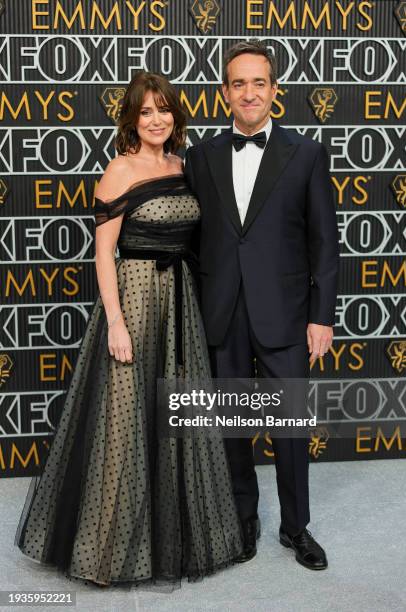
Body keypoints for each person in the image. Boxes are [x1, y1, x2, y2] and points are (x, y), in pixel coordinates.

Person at [15, 72, 243, 587]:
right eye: (146, 112)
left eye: (164, 110)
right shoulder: (118, 170)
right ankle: (106, 553)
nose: (157, 119)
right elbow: (103, 253)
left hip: (182, 302)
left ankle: (174, 539)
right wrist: (115, 322)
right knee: (124, 427)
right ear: (132, 119)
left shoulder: (186, 167)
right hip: (136, 299)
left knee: (178, 422)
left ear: (175, 116)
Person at [184, 40, 339, 569]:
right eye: (238, 83)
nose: (248, 92)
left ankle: (296, 529)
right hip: (222, 311)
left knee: (291, 430)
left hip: (288, 315)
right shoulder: (200, 156)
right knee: (231, 429)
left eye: (259, 82)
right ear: (224, 92)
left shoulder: (308, 154)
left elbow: (325, 242)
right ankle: (243, 521)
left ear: (275, 90)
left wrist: (322, 317)